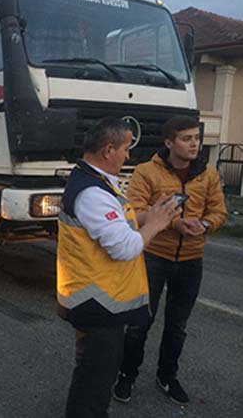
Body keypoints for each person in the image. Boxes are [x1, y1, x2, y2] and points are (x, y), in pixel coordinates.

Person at [57, 117, 180, 418]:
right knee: (95, 380)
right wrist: (155, 224)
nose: (128, 155)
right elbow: (125, 247)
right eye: (125, 148)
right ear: (109, 150)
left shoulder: (94, 181)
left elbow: (116, 224)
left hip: (98, 300)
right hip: (97, 303)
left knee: (93, 372)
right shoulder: (93, 193)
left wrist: (148, 215)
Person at [112, 116, 227, 405]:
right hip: (154, 256)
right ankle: (126, 375)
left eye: (197, 138)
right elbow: (135, 211)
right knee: (139, 322)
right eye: (187, 139)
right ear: (169, 143)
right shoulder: (147, 171)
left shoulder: (208, 174)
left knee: (177, 327)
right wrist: (175, 223)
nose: (194, 144)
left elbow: (219, 211)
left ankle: (167, 376)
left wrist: (205, 225)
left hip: (191, 260)